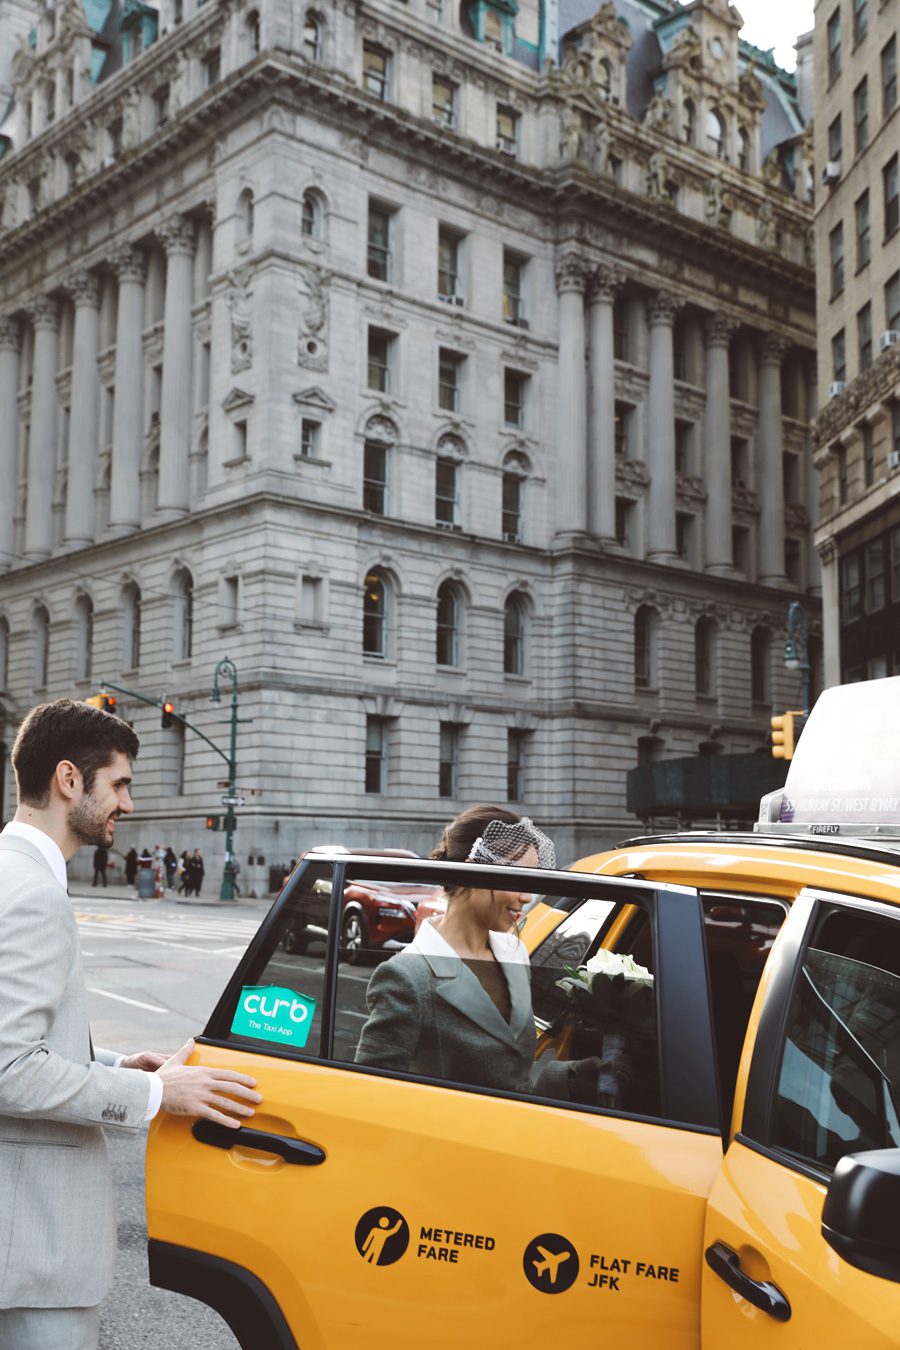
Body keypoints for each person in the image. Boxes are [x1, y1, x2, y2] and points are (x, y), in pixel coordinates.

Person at [0, 699, 263, 1348]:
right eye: (119, 784)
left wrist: (116, 1064)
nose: (128, 803)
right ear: (69, 779)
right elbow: (9, 1068)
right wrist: (155, 1093)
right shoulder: (34, 895)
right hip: (31, 1249)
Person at [356, 805, 577, 1097]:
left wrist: (568, 1076)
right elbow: (370, 1093)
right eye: (518, 878)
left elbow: (513, 1072)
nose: (527, 897)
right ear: (474, 870)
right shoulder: (406, 976)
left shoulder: (514, 951)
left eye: (531, 881)